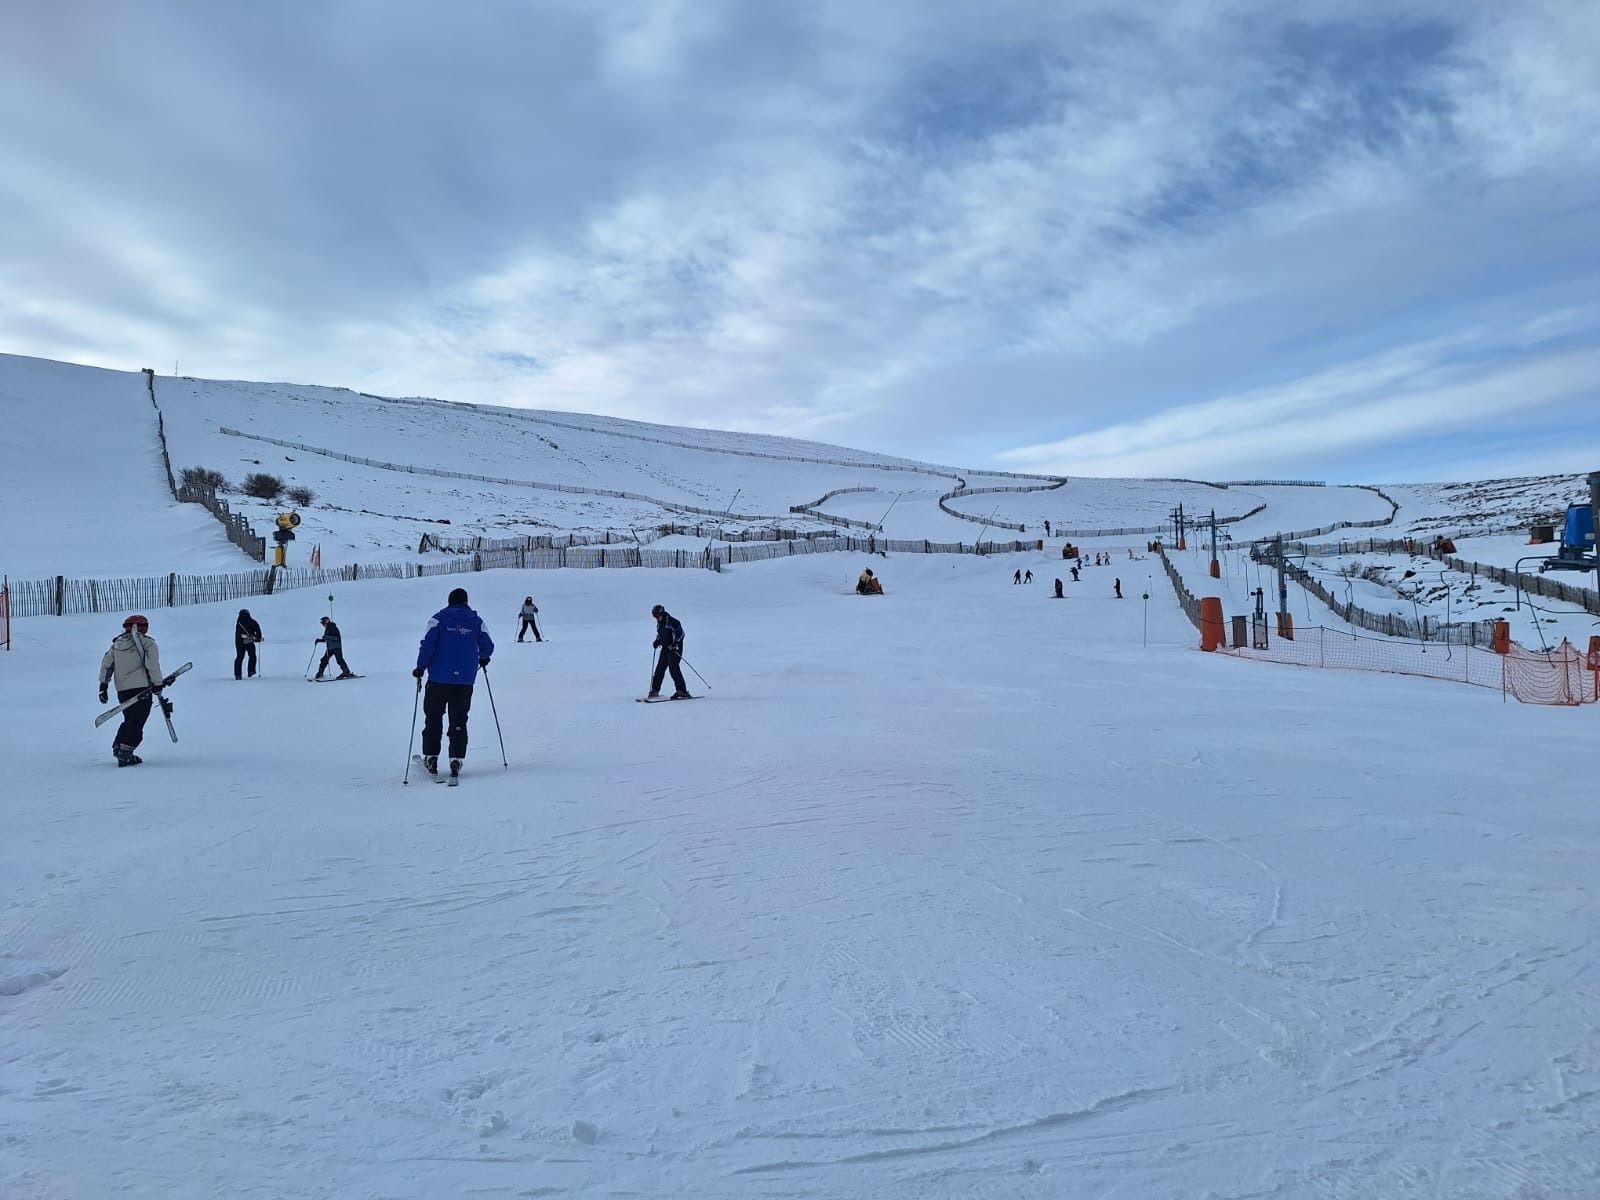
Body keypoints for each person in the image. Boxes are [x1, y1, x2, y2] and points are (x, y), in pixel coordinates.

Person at [413, 587, 494, 779]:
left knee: (433, 717)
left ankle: (431, 757)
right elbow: (488, 646)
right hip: (465, 680)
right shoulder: (476, 621)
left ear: (449, 601)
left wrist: (420, 667)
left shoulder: (438, 619)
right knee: (459, 719)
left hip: (438, 679)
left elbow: (428, 644)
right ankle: (456, 758)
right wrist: (483, 657)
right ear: (466, 601)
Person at [98, 614, 176, 766]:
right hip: (142, 689)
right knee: (138, 721)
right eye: (145, 625)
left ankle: (119, 745)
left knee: (129, 719)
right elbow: (152, 664)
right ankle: (126, 752)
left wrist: (103, 686)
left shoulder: (116, 645)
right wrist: (157, 683)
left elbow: (106, 664)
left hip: (123, 690)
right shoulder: (148, 644)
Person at [649, 604, 689, 699]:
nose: (656, 618)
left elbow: (681, 634)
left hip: (675, 648)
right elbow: (660, 635)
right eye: (654, 616)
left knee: (673, 668)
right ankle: (655, 690)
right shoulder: (660, 624)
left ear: (661, 614)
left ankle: (682, 691)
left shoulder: (673, 622)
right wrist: (657, 641)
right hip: (666, 648)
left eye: (657, 616)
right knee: (659, 669)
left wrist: (675, 644)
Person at [234, 608, 263, 679]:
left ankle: (238, 674)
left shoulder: (238, 623)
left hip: (239, 641)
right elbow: (258, 629)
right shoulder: (252, 621)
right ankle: (251, 671)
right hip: (248, 640)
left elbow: (238, 634)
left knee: (239, 657)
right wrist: (258, 638)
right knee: (252, 655)